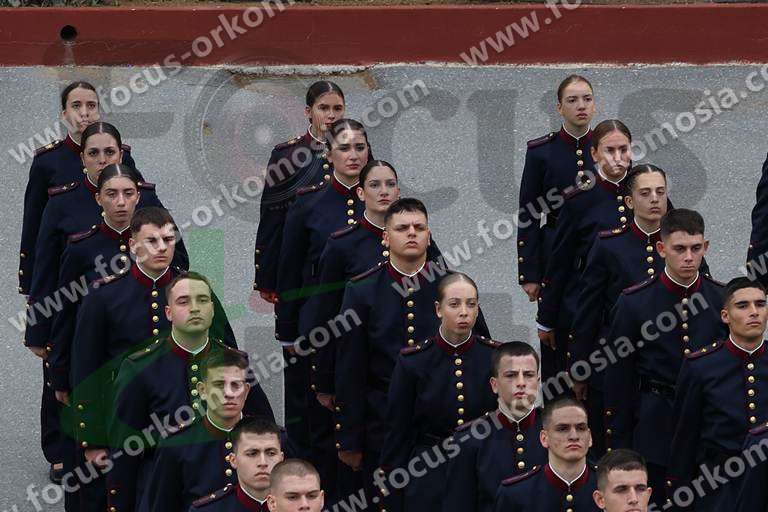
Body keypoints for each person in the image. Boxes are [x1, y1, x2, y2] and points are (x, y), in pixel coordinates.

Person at [334, 198, 491, 503]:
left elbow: (482, 351)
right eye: (402, 228)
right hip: (382, 420)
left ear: (429, 236)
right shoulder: (363, 290)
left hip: (442, 421)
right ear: (385, 236)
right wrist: (349, 438)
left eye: (419, 228)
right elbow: (350, 367)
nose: (411, 233)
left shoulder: (450, 287)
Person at [24, 121, 153, 485]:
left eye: (109, 152)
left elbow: (177, 262)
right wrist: (40, 330)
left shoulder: (146, 199)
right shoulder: (63, 204)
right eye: (94, 153)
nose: (102, 159)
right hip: (84, 329)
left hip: (135, 335)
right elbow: (48, 271)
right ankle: (67, 456)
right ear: (82, 159)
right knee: (70, 392)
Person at [107, 273, 274, 512]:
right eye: (184, 301)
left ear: (213, 310)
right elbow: (124, 450)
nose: (195, 308)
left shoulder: (234, 362)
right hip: (166, 491)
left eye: (202, 300)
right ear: (168, 312)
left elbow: (264, 427)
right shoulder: (139, 368)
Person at [274, 118, 371, 498]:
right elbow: (289, 270)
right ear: (328, 154)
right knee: (317, 423)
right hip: (319, 327)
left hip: (368, 327)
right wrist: (288, 331)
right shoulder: (308, 201)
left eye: (360, 147)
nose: (353, 155)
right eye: (344, 148)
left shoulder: (381, 200)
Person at [604, 209, 726, 506]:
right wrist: (620, 444)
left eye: (695, 249)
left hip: (708, 426)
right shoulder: (634, 303)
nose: (689, 257)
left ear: (706, 247)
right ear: (661, 249)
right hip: (656, 422)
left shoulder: (720, 299)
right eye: (679, 249)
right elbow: (619, 378)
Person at [568, 164, 669, 456]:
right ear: (629, 201)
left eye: (660, 192)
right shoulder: (609, 245)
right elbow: (588, 308)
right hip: (616, 357)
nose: (654, 199)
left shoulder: (679, 245)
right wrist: (580, 366)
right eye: (645, 193)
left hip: (664, 362)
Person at [380, 273, 499, 509]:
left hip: (481, 464)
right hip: (429, 467)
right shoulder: (414, 361)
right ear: (438, 309)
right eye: (454, 304)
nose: (464, 312)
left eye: (471, 304)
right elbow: (398, 429)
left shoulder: (494, 357)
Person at [536, 119, 633, 390]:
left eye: (623, 149)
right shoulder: (579, 199)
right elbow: (560, 260)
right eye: (609, 150)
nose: (617, 158)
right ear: (594, 154)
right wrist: (547, 317)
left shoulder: (646, 190)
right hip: (587, 301)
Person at [19, 81, 136, 297]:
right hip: (67, 273)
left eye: (91, 106)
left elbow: (140, 205)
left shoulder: (122, 156)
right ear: (64, 115)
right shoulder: (48, 161)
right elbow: (34, 226)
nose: (84, 113)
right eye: (76, 106)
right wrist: (30, 285)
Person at [667, 277, 768, 511]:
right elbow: (684, 439)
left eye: (760, 304)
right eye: (742, 306)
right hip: (719, 487)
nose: (754, 312)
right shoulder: (701, 367)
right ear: (725, 316)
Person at [307, 159, 402, 400]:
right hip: (360, 366)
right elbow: (326, 313)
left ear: (398, 192)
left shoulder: (418, 241)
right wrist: (324, 380)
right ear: (361, 193)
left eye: (390, 184)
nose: (384, 191)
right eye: (375, 185)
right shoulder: (342, 245)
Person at [140, 350, 268, 510]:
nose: (229, 393)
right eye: (219, 385)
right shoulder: (177, 444)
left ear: (247, 391)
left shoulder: (272, 439)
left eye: (236, 385)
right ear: (202, 390)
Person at [254, 80, 345, 303]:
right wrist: (267, 277)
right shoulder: (286, 156)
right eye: (323, 108)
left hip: (346, 265)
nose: (331, 115)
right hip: (301, 268)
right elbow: (272, 219)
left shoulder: (356, 152)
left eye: (337, 108)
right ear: (308, 112)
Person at [516, 74, 596, 303]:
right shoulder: (541, 152)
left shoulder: (609, 147)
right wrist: (529, 273)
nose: (581, 105)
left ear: (594, 105)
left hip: (600, 249)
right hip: (556, 250)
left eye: (587, 99)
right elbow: (529, 213)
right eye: (572, 100)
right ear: (559, 108)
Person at [444, 341, 547, 512]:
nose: (521, 382)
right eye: (511, 375)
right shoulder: (469, 440)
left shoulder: (556, 430)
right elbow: (459, 504)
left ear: (537, 382)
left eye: (528, 375)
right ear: (494, 384)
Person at [493, 396, 598, 511]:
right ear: (544, 438)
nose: (574, 436)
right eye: (562, 429)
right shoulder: (516, 494)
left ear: (590, 437)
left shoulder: (607, 485)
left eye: (581, 428)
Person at [189, 417, 286, 511]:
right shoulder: (208, 510)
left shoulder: (294, 507)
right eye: (252, 454)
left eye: (271, 453)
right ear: (233, 460)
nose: (263, 462)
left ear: (281, 459)